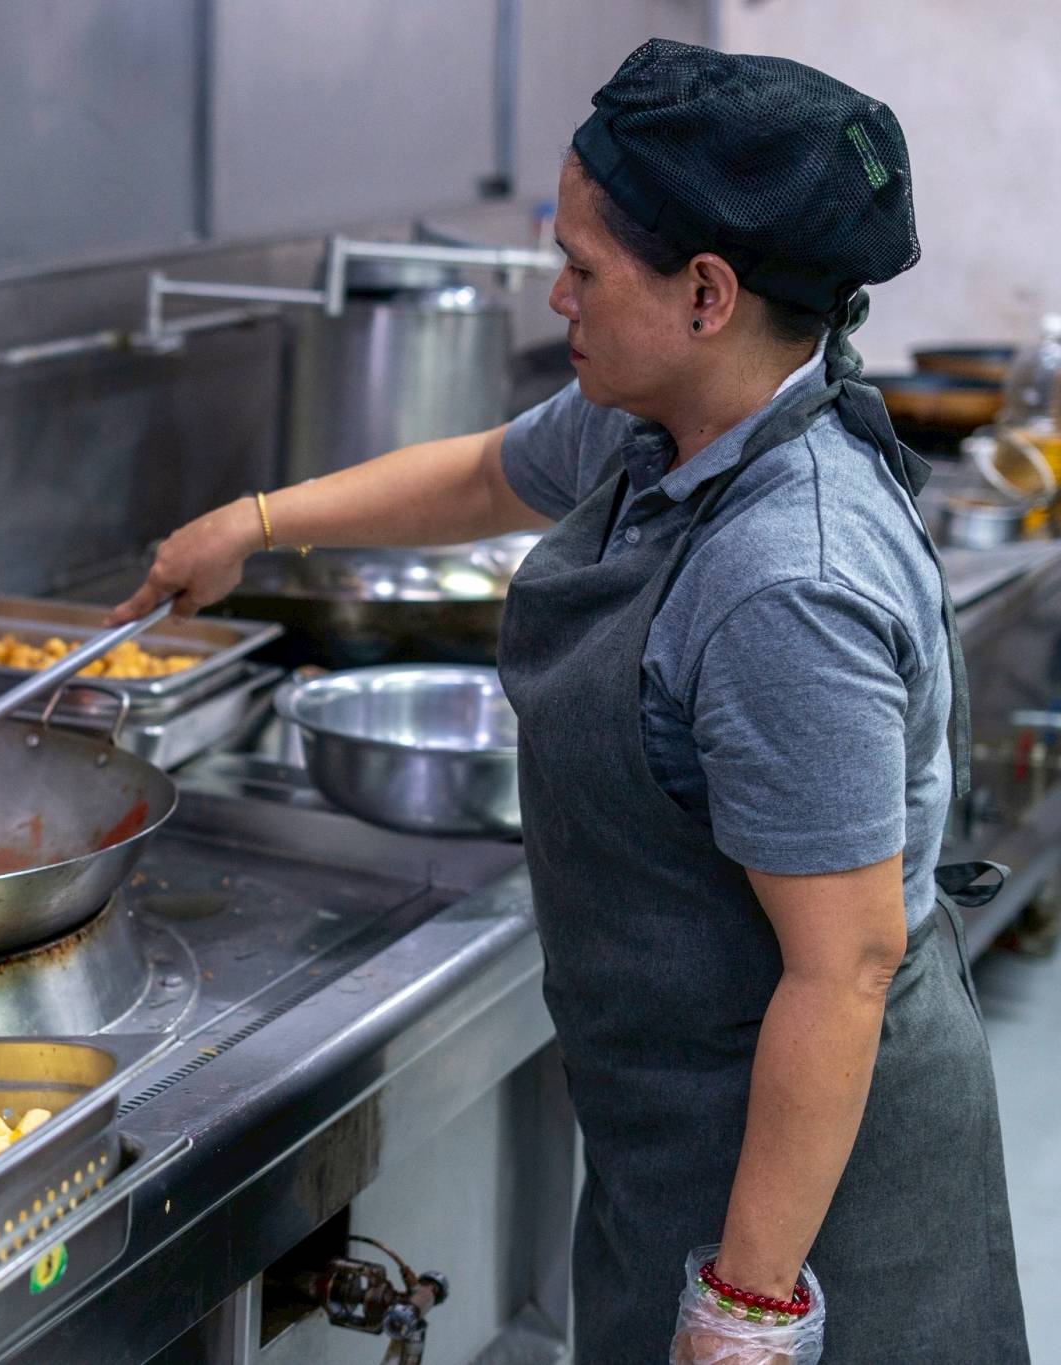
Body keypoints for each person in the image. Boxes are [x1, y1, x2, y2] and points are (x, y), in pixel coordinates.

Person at [110, 39, 1029, 1364]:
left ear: (706, 294)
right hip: (684, 1132)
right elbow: (490, 473)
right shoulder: (671, 414)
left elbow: (845, 967)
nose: (557, 297)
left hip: (820, 1197)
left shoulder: (787, 584)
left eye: (583, 269)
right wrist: (252, 524)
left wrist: (748, 1307)